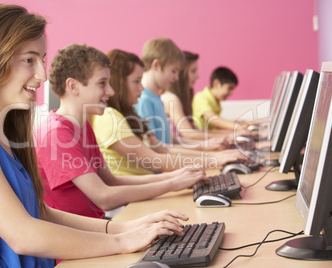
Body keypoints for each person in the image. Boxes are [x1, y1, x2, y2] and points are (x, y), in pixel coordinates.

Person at [0, 4, 196, 267]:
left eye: (42, 61)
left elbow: (41, 213)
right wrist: (123, 241)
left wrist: (126, 229)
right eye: (29, 60)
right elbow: (22, 235)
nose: (42, 75)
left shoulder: (4, 133)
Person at [34, 44, 210, 221]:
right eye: (102, 83)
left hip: (96, 224)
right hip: (76, 236)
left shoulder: (82, 126)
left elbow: (111, 181)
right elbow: (104, 197)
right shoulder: (56, 133)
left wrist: (175, 176)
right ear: (73, 86)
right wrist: (172, 184)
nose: (110, 91)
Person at [91, 49, 248, 176]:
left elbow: (162, 148)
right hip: (132, 203)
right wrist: (211, 159)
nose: (141, 87)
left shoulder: (129, 113)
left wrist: (211, 156)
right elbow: (154, 159)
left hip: (148, 188)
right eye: (136, 81)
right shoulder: (109, 117)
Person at [161, 52, 252, 142]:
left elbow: (197, 131)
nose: (197, 76)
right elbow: (189, 134)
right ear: (181, 74)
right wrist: (233, 131)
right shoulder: (171, 99)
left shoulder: (180, 100)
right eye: (193, 71)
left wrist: (232, 134)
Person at [192, 66, 252, 131]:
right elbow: (213, 119)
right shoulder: (201, 97)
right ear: (217, 84)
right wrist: (237, 126)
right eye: (230, 88)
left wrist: (235, 123)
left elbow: (216, 125)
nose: (231, 93)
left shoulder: (216, 101)